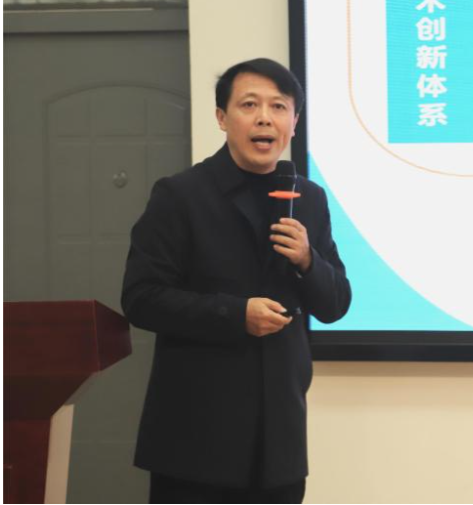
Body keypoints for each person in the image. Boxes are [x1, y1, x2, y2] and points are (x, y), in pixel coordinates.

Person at [121, 58, 351, 503]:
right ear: (222, 118)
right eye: (249, 104)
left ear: (294, 123)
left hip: (278, 441)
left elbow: (335, 303)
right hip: (196, 440)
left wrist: (308, 260)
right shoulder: (181, 195)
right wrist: (236, 314)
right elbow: (141, 298)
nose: (265, 117)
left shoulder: (308, 198)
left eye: (279, 107)